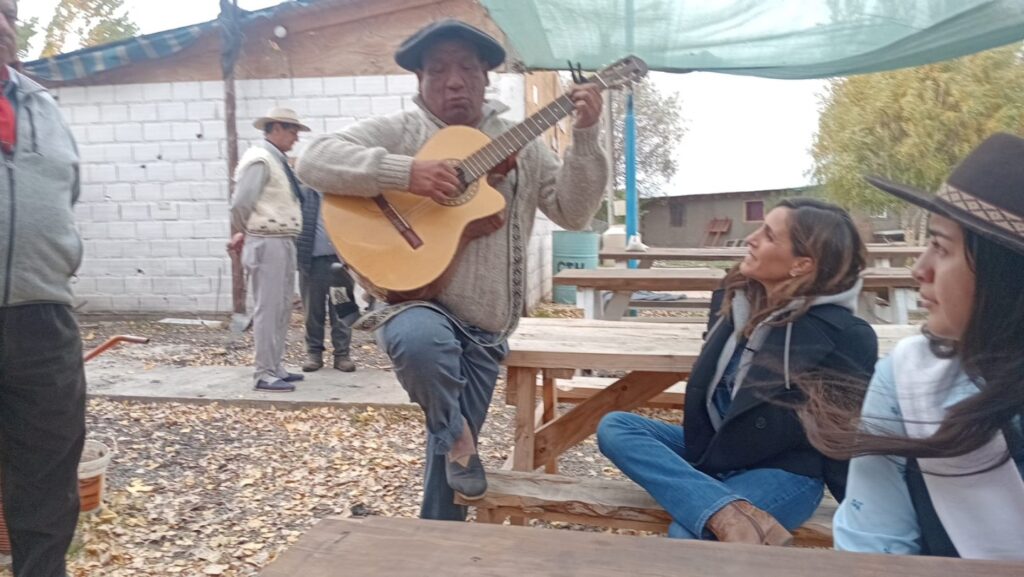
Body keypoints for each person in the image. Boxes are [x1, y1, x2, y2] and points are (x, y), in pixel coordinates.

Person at [297, 19, 608, 521]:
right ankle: (455, 433)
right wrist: (406, 173)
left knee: (454, 472)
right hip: (412, 302)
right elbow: (312, 159)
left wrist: (587, 137)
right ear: (419, 81)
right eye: (437, 69)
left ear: (487, 77)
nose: (454, 80)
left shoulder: (521, 144)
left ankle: (438, 536)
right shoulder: (401, 132)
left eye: (466, 68)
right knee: (423, 342)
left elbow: (573, 212)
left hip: (484, 327)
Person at [597, 198, 878, 545]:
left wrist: (871, 519)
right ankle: (723, 510)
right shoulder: (735, 298)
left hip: (785, 471)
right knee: (616, 427)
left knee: (687, 535)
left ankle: (712, 507)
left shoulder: (845, 335)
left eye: (769, 236)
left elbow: (843, 434)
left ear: (801, 265)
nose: (751, 238)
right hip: (715, 449)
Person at [797, 133, 1024, 559]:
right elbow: (874, 551)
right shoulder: (907, 379)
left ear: (1008, 276)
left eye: (941, 247)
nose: (919, 269)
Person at [0, 2, 86, 575]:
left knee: (48, 479)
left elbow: (66, 195)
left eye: (5, 12)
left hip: (42, 316)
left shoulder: (43, 105)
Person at [228, 107, 308, 393]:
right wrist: (243, 231)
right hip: (267, 239)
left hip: (281, 238)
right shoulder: (260, 158)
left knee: (281, 307)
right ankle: (263, 372)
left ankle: (275, 366)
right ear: (274, 128)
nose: (295, 137)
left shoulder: (276, 159)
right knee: (268, 307)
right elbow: (240, 203)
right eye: (291, 130)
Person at [296, 184, 356, 373]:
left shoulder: (342, 194)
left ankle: (342, 355)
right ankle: (314, 354)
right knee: (313, 311)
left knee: (342, 309)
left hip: (340, 263)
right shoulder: (304, 194)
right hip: (312, 263)